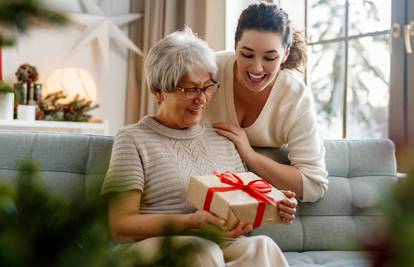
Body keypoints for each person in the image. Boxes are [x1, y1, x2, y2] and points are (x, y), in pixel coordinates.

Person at [101, 27, 296, 267]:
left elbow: (237, 208)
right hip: (155, 246)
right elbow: (121, 227)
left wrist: (273, 203)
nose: (202, 98)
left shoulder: (223, 138)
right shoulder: (132, 139)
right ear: (158, 91)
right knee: (201, 250)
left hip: (215, 243)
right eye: (190, 89)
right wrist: (191, 222)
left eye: (207, 87)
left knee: (261, 246)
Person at [202, 2, 329, 202]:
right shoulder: (208, 70)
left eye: (270, 57)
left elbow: (313, 184)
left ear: (285, 54)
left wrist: (250, 155)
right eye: (247, 54)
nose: (257, 68)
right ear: (235, 47)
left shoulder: (295, 97)